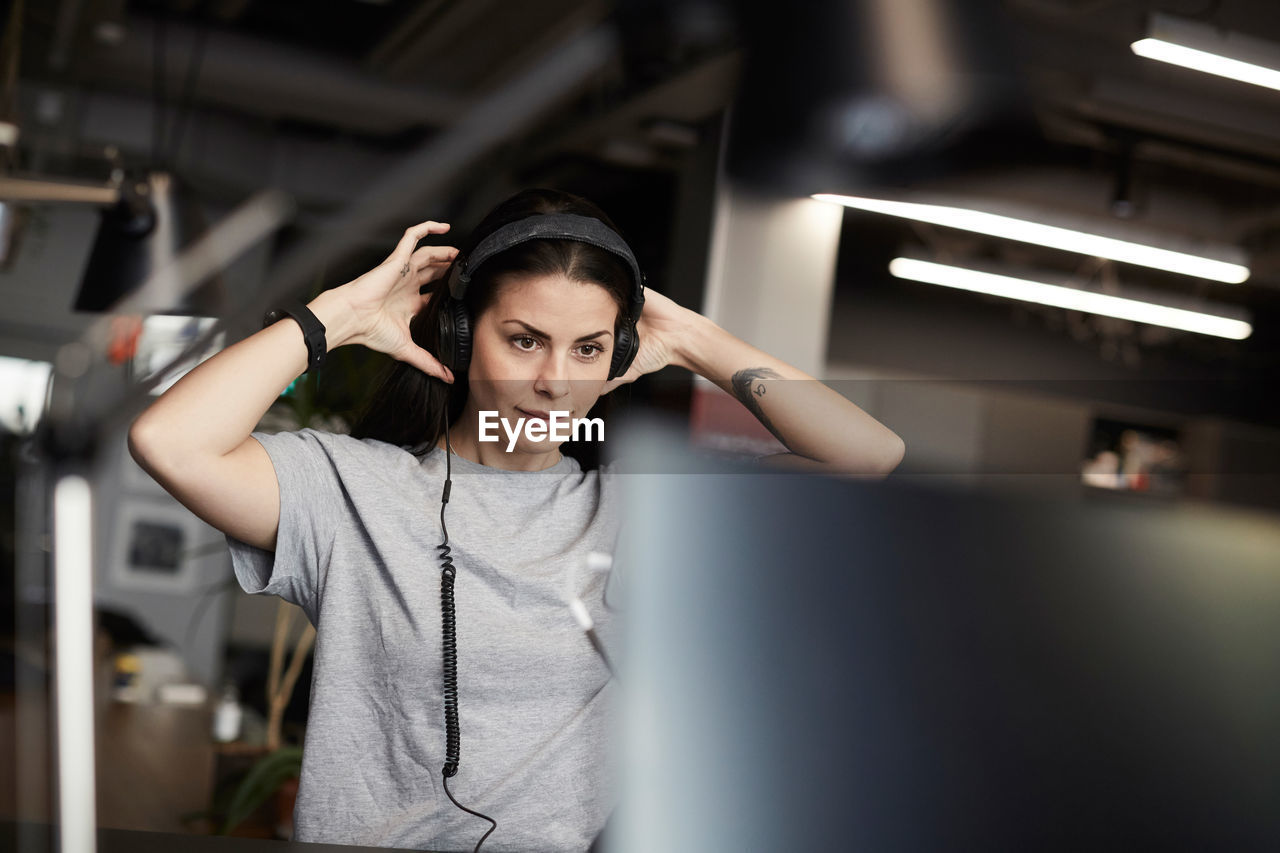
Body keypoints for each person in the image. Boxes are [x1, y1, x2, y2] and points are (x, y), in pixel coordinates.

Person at [128, 188, 905, 852]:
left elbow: (869, 457)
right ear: (462, 336)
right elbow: (169, 440)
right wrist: (342, 315)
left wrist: (697, 340)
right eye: (524, 339)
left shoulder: (645, 510)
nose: (552, 383)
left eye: (588, 348)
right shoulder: (350, 490)